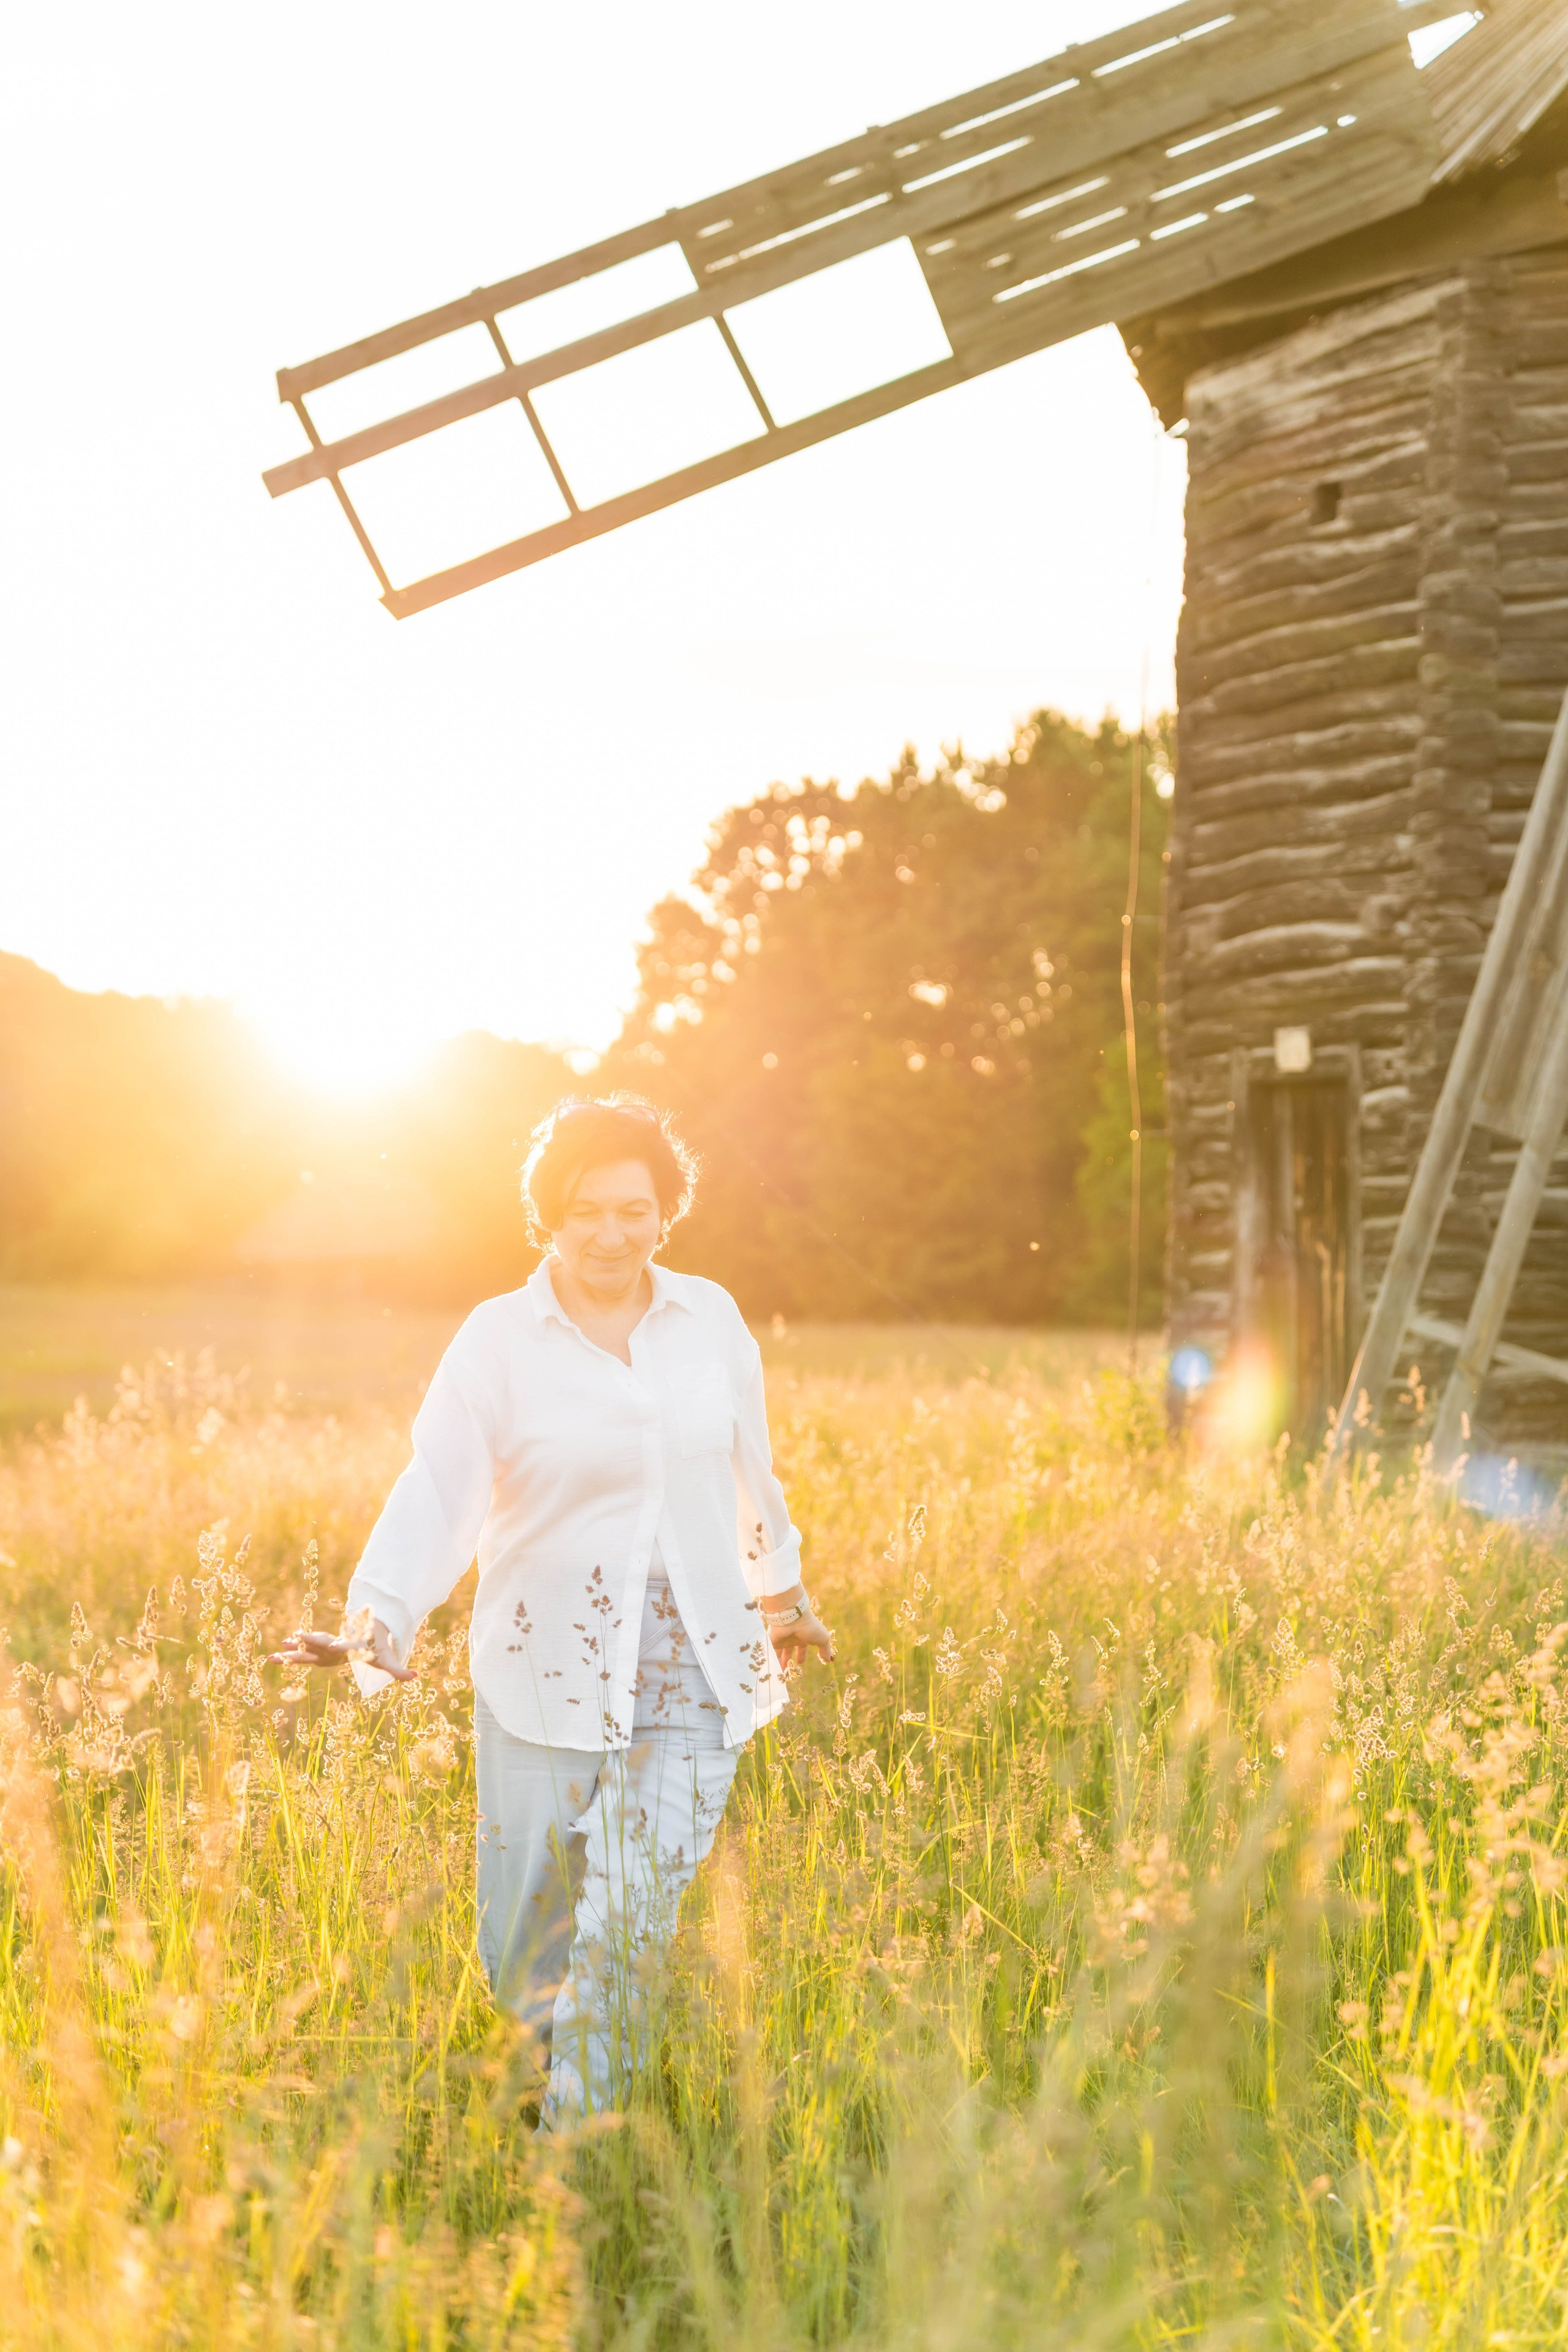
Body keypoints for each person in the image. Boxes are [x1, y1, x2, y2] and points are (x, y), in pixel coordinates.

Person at [273, 1096, 832, 2122]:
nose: (611, 1234)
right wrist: (379, 1619)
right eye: (586, 1211)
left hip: (694, 1666)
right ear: (548, 1217)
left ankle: (573, 2155)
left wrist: (785, 1598)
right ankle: (537, 2077)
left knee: (629, 1918)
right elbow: (439, 1487)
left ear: (667, 1209)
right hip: (545, 1666)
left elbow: (751, 1469)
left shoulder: (710, 1318)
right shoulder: (498, 1339)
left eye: (634, 1209)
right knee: (526, 1935)